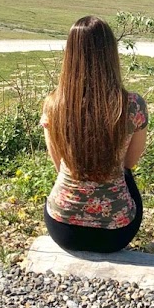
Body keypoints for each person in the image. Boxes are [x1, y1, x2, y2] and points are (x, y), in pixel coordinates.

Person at [41, 15, 148, 253]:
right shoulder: (132, 105)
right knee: (125, 174)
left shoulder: (53, 104)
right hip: (115, 235)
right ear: (110, 54)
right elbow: (130, 162)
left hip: (63, 228)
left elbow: (59, 165)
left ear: (70, 55)